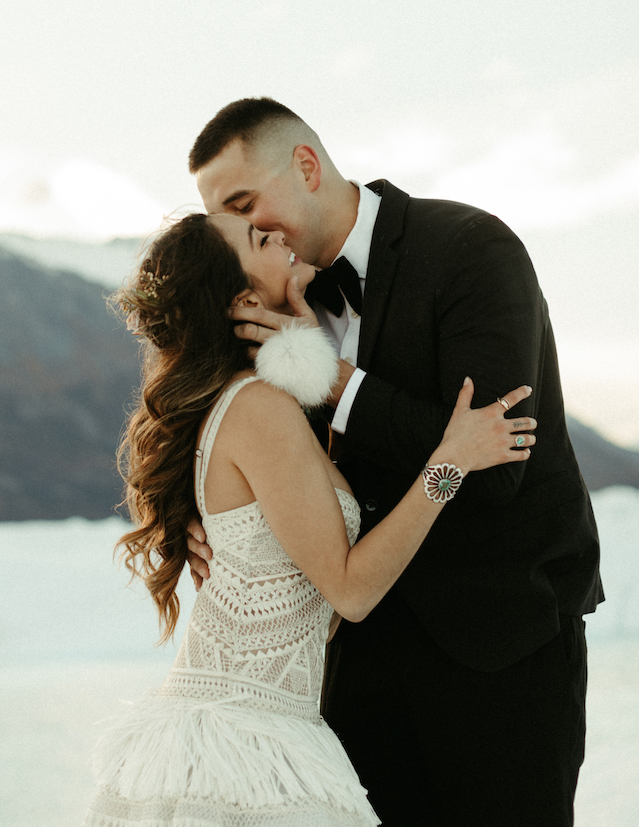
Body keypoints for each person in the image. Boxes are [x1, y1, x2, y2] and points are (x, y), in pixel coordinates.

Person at [185, 98, 603, 827]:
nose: (248, 233)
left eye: (247, 206)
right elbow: (221, 430)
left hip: (499, 655)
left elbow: (496, 460)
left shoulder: (472, 249)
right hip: (356, 665)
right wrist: (204, 524)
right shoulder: (272, 304)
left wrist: (328, 379)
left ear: (307, 166)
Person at [81, 210, 535, 827]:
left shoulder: (259, 401)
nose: (280, 235)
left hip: (264, 729)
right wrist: (449, 463)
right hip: (243, 743)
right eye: (259, 240)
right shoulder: (257, 408)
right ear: (241, 298)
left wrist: (301, 344)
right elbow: (349, 590)